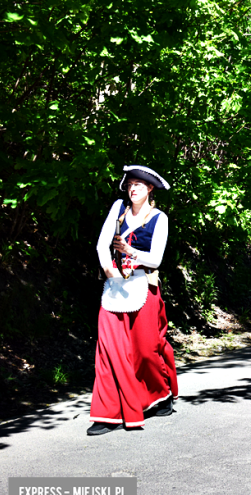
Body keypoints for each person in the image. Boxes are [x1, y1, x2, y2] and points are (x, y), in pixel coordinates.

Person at [88, 165, 178, 435]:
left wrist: (130, 251)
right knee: (108, 351)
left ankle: (160, 395)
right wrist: (109, 270)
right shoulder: (118, 209)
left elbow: (156, 259)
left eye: (139, 184)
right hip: (115, 285)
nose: (133, 188)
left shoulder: (159, 218)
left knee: (144, 352)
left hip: (144, 285)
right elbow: (102, 245)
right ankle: (107, 414)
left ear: (150, 188)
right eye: (130, 184)